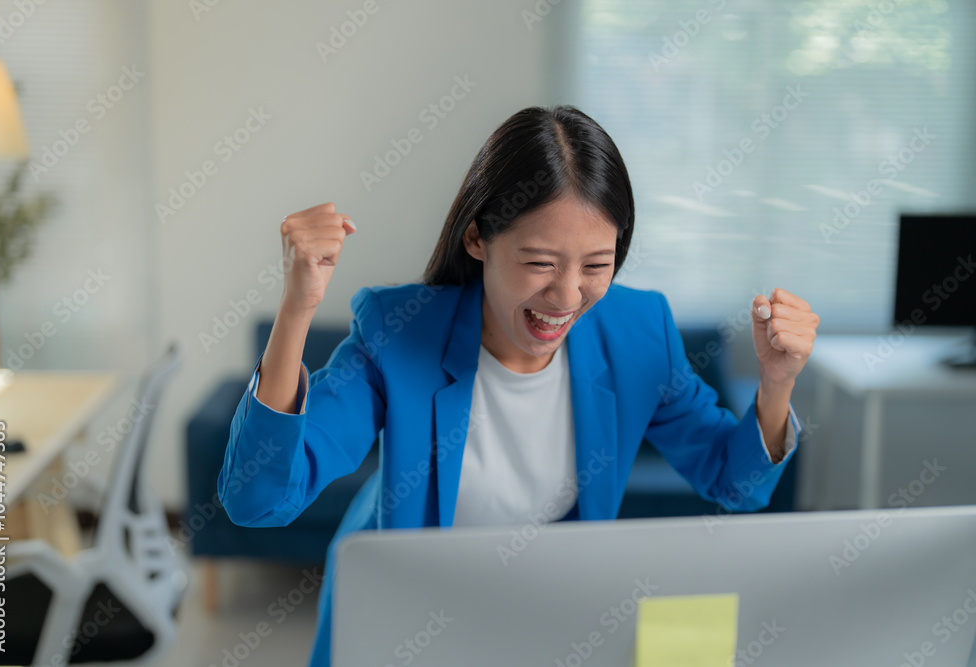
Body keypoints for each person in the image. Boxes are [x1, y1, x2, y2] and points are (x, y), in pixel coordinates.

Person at [217, 105, 819, 666]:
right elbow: (257, 499)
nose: (566, 297)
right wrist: (296, 309)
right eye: (539, 263)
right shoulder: (397, 334)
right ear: (478, 239)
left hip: (540, 607)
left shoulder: (639, 334)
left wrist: (776, 383)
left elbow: (734, 483)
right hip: (401, 608)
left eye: (596, 265)